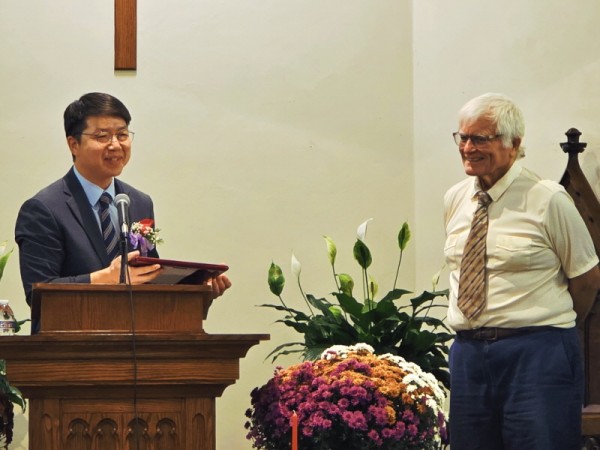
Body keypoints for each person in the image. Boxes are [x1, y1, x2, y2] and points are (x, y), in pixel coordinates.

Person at [443, 92, 600, 450]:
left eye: (480, 138)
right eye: (463, 137)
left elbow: (587, 279)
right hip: (468, 355)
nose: (467, 148)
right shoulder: (455, 199)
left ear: (513, 144)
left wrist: (548, 328)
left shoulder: (548, 199)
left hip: (537, 354)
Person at [15, 92, 231, 330]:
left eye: (122, 135)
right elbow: (38, 294)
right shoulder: (43, 209)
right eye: (102, 136)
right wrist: (105, 278)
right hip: (69, 343)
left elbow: (148, 278)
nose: (116, 145)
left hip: (134, 339)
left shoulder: (138, 202)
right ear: (74, 144)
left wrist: (199, 289)